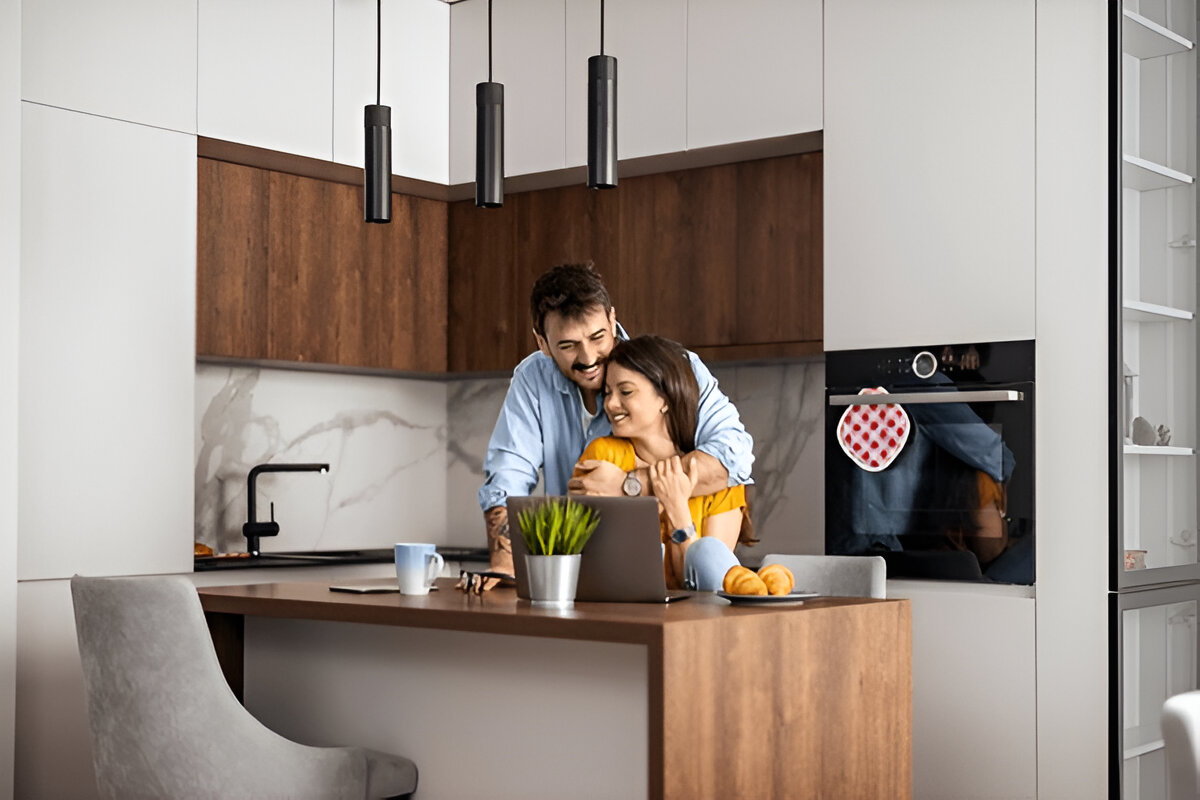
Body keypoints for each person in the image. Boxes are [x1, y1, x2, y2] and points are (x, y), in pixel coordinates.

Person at [473, 262, 754, 586]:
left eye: (597, 337)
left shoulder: (674, 367)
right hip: (583, 576)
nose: (589, 356)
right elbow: (508, 475)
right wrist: (505, 568)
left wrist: (629, 486)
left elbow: (732, 456)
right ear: (543, 343)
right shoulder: (534, 379)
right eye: (568, 345)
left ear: (612, 319)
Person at [572, 335, 754, 590]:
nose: (611, 404)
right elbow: (587, 561)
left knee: (707, 550)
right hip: (620, 611)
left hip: (700, 620)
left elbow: (709, 589)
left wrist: (677, 511)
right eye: (607, 393)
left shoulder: (719, 478)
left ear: (665, 399)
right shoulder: (603, 456)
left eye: (625, 391)